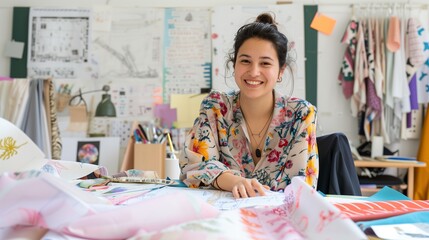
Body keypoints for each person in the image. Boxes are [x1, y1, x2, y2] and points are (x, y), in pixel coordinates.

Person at [179, 12, 318, 199]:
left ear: (280, 71)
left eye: (265, 63)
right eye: (245, 61)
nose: (254, 72)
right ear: (234, 64)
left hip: (277, 220)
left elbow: (302, 185)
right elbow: (194, 165)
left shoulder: (301, 114)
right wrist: (234, 182)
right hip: (222, 218)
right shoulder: (216, 107)